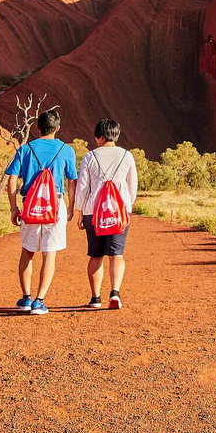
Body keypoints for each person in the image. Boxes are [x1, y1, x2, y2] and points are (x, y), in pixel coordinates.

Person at [0, 106, 77, 315]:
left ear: (37, 127)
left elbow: (12, 179)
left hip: (31, 204)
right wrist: (70, 206)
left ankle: (25, 298)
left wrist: (14, 208)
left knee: (27, 251)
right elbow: (71, 181)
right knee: (49, 253)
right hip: (55, 204)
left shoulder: (26, 149)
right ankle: (39, 301)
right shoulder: (66, 150)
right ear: (57, 128)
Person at [73, 118, 138, 309]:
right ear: (116, 135)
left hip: (93, 212)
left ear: (100, 136)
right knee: (116, 255)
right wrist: (127, 206)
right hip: (119, 212)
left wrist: (80, 211)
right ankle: (115, 294)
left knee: (96, 255)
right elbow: (132, 186)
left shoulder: (90, 156)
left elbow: (83, 187)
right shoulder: (127, 156)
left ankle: (95, 298)